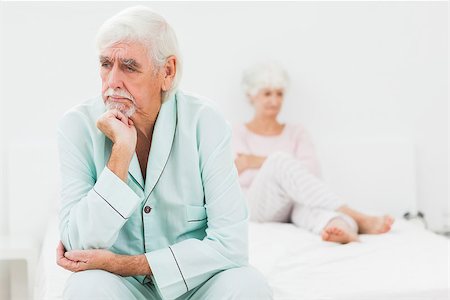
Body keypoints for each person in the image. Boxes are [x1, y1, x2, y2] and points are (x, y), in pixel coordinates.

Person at [56, 6, 272, 300]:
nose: (112, 82)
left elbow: (232, 245)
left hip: (198, 284)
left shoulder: (205, 122)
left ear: (167, 72)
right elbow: (78, 245)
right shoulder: (77, 126)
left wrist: (124, 264)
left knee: (249, 286)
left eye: (129, 67)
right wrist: (120, 154)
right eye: (106, 64)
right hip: (120, 289)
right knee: (86, 289)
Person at [233, 62, 394, 244]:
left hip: (294, 203)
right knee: (279, 161)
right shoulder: (238, 132)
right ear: (251, 96)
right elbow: (236, 176)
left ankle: (341, 227)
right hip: (257, 206)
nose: (275, 101)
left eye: (280, 94)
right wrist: (277, 168)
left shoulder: (296, 132)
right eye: (267, 94)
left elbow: (311, 175)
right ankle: (356, 216)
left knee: (314, 204)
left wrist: (253, 161)